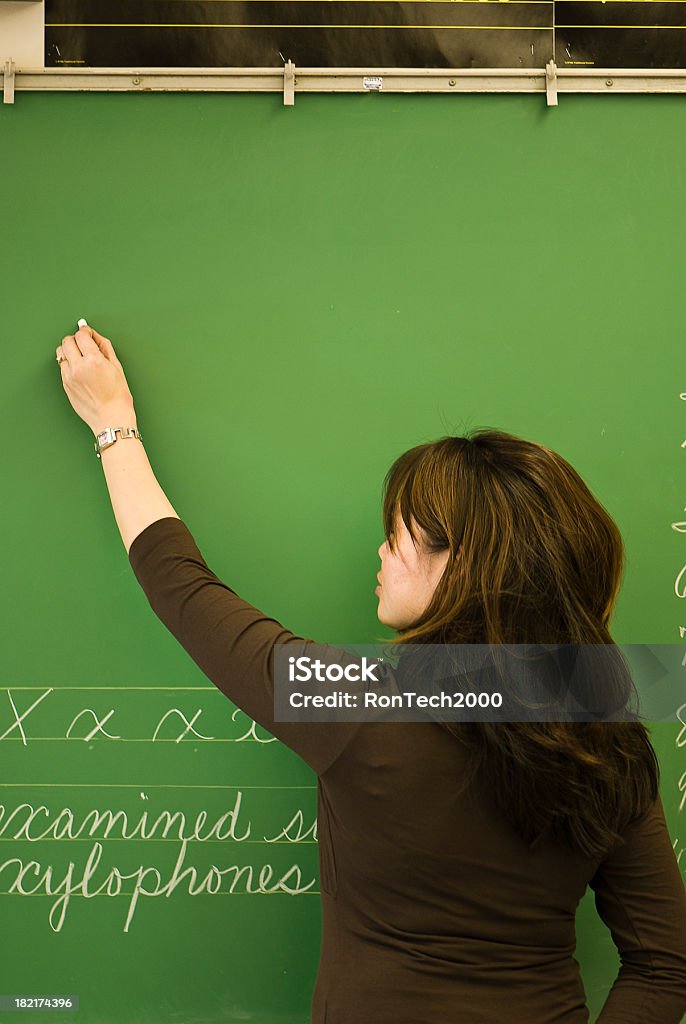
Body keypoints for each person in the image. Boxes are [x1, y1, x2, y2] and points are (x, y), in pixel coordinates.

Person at [55, 322, 686, 1024]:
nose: (381, 554)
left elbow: (181, 585)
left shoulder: (358, 703)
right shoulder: (604, 731)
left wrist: (114, 425)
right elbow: (664, 968)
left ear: (465, 562)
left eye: (399, 533)